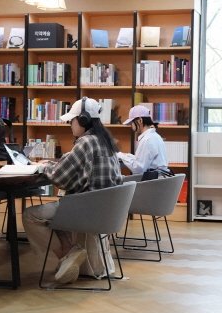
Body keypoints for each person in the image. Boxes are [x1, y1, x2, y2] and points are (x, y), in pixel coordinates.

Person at [23, 97, 123, 285]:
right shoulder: (107, 142)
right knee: (62, 204)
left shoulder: (85, 142)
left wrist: (41, 166)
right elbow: (77, 168)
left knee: (31, 215)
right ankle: (70, 255)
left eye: (72, 120)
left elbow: (60, 176)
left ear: (83, 120)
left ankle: (67, 254)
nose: (70, 124)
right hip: (108, 211)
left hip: (87, 210)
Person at [117, 104, 169, 176]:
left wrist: (120, 155)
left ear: (140, 120)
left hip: (153, 180)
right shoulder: (155, 136)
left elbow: (138, 169)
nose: (131, 126)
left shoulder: (147, 140)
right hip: (159, 178)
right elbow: (142, 160)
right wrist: (126, 156)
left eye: (132, 123)